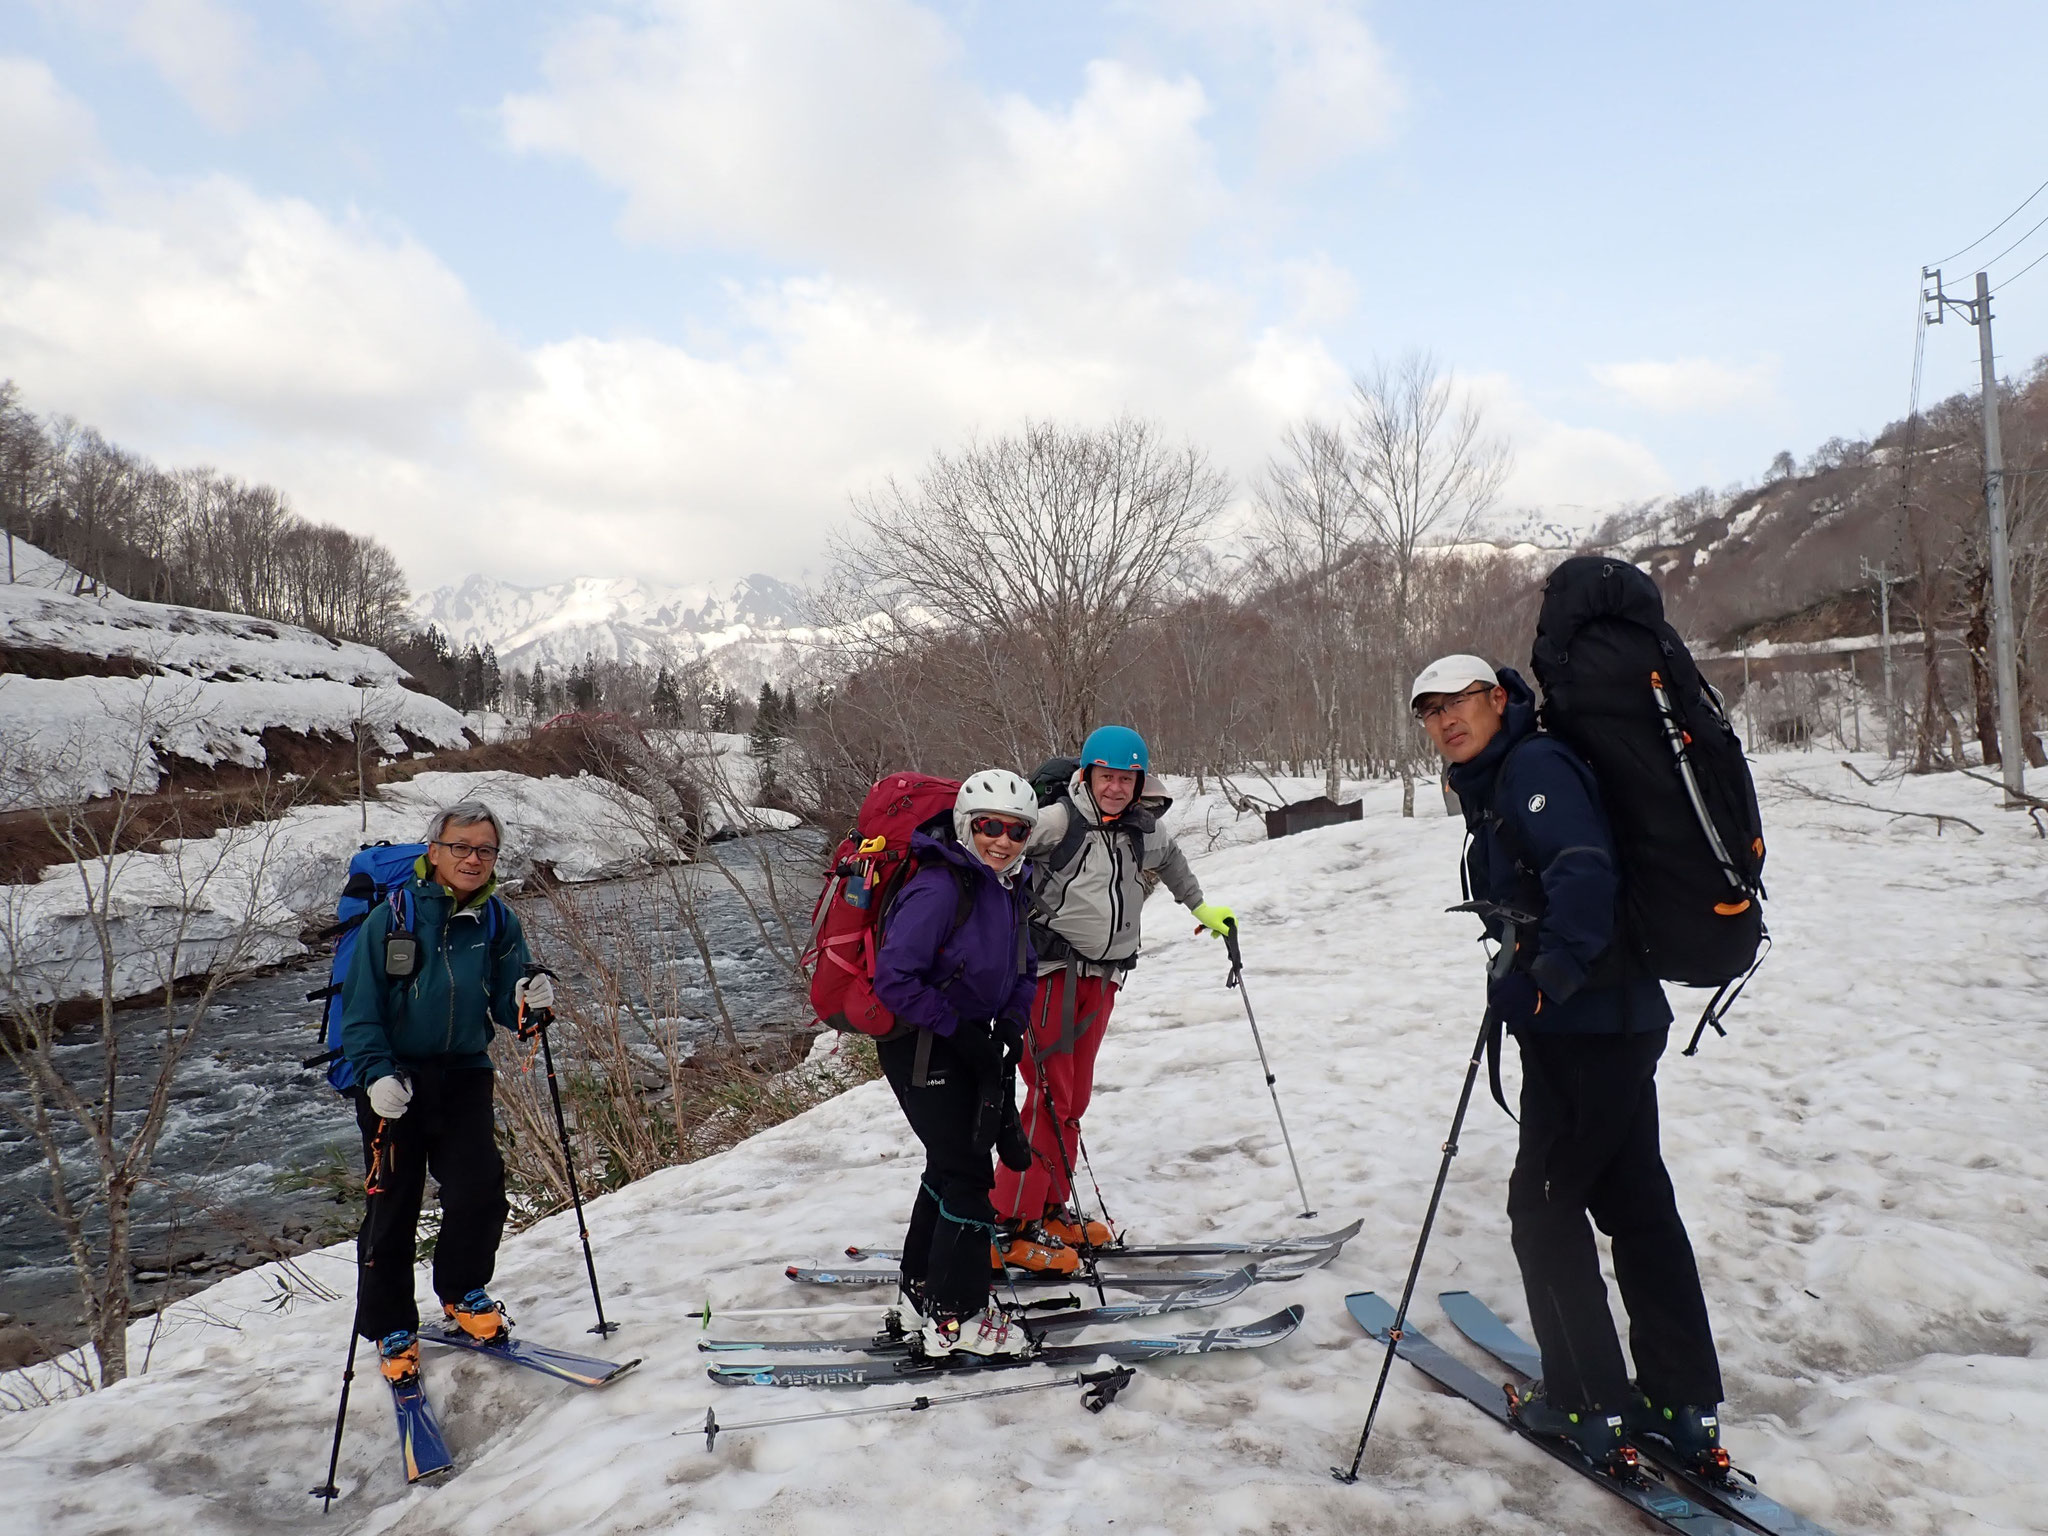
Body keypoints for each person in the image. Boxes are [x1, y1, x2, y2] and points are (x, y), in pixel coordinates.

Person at [1412, 653, 1726, 1474]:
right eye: (1430, 711)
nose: (1446, 720)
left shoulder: (1534, 766)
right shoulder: (1511, 773)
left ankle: (1586, 1405)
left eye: (1460, 702)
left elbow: (1583, 870)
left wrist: (1548, 980)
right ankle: (1680, 1405)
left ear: (1499, 697)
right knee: (1636, 1200)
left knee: (1544, 1207)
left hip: (1585, 1026)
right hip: (1616, 1021)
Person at [992, 725, 1235, 1270]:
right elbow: (997, 853)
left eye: (1126, 779)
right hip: (1052, 975)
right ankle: (1007, 1220)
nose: (1116, 788)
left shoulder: (1139, 829)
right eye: (1107, 777)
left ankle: (1050, 1208)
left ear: (1138, 781)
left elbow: (1171, 859)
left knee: (1072, 1100)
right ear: (1087, 775)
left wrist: (1199, 907)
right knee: (1048, 1099)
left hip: (1103, 978)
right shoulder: (1058, 821)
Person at [339, 800, 544, 1385]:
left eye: (485, 849)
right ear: (435, 852)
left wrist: (531, 1007)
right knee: (392, 1205)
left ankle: (462, 1292)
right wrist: (375, 1073)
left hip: (463, 1073)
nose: (473, 859)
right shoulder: (393, 917)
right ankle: (390, 1324)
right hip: (393, 1082)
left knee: (480, 1190)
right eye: (462, 847)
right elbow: (361, 1009)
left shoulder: (498, 920)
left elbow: (511, 1001)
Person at [870, 770, 1042, 1357]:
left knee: (949, 1167)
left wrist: (1012, 1026)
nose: (1002, 839)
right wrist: (961, 1033)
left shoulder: (1012, 887)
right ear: (968, 825)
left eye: (1016, 830)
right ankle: (957, 1317)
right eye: (990, 826)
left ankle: (922, 1292)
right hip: (923, 1047)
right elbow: (894, 979)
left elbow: (1024, 967)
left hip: (972, 1042)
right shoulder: (941, 889)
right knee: (968, 1172)